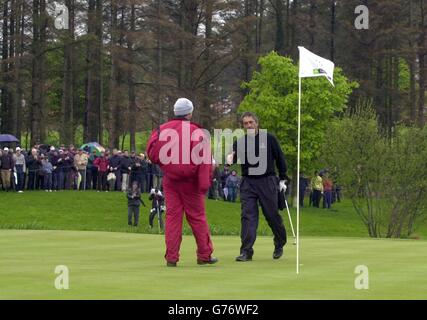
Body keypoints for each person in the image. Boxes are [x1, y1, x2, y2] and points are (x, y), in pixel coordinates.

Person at [146, 97, 217, 267]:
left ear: (175, 112)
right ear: (190, 113)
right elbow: (204, 160)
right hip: (191, 182)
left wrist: (166, 164)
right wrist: (204, 183)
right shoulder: (197, 132)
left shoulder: (162, 129)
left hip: (170, 179)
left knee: (172, 218)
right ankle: (204, 255)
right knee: (198, 218)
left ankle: (171, 257)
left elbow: (152, 153)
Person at [227, 111, 288, 262]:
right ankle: (246, 251)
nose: (248, 125)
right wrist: (229, 158)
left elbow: (280, 158)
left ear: (256, 123)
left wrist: (283, 178)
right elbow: (232, 157)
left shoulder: (269, 138)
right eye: (245, 123)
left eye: (250, 122)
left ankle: (279, 242)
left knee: (271, 215)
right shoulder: (240, 142)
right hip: (248, 182)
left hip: (267, 181)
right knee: (248, 216)